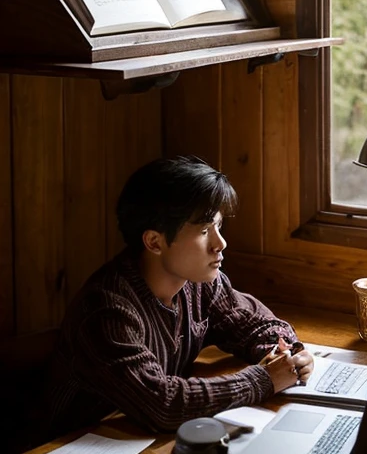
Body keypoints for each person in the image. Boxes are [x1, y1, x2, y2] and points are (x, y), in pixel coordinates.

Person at [48, 155, 313, 434]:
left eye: (218, 226)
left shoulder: (200, 284)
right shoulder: (107, 311)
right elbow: (162, 404)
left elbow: (258, 325)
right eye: (203, 231)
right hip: (63, 453)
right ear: (154, 242)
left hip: (137, 441)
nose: (220, 243)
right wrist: (263, 379)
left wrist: (283, 353)